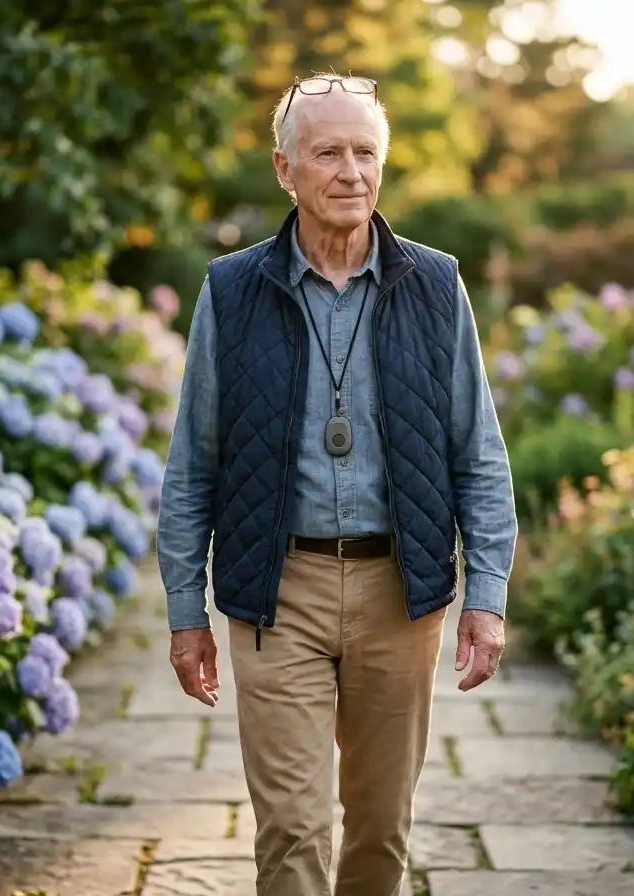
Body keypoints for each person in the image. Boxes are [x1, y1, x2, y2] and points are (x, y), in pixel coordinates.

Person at [157, 71, 518, 896]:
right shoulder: (231, 290)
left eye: (365, 152)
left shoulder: (435, 284)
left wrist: (488, 595)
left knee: (382, 828)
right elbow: (194, 462)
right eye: (328, 153)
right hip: (276, 590)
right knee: (292, 828)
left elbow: (478, 452)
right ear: (284, 169)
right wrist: (185, 611)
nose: (351, 172)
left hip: (402, 594)